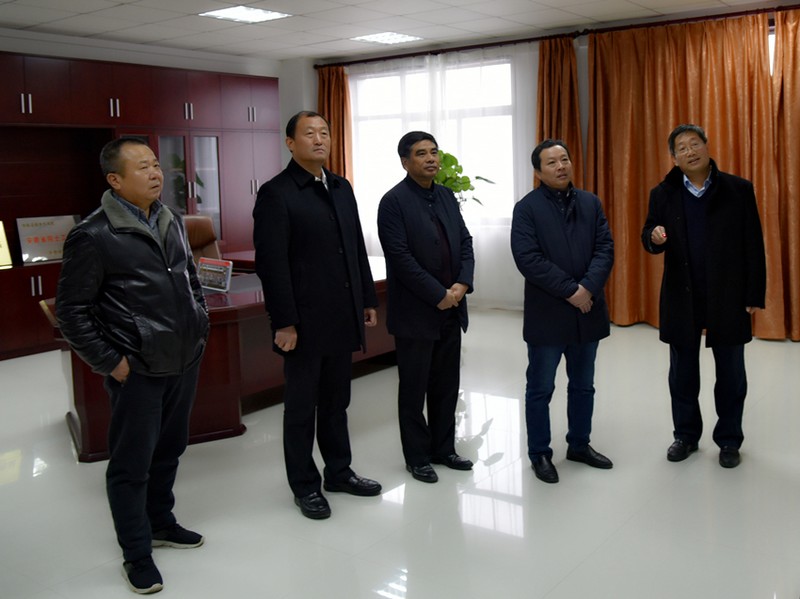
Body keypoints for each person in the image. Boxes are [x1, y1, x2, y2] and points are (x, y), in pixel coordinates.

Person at [56, 138, 209, 594]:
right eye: (142, 167)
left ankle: (161, 522)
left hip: (183, 358)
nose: (156, 173)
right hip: (137, 368)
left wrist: (199, 323)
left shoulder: (171, 218)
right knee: (131, 464)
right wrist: (112, 362)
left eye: (156, 164)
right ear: (115, 180)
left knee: (170, 449)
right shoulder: (93, 235)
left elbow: (190, 278)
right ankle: (136, 554)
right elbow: (72, 312)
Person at [253, 110, 382, 520]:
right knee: (300, 407)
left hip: (341, 313)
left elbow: (355, 247)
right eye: (309, 133)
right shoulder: (277, 193)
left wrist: (366, 298)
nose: (319, 139)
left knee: (336, 402)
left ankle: (339, 472)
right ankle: (304, 485)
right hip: (304, 321)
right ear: (290, 143)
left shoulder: (341, 187)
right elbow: (272, 265)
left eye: (324, 132)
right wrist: (283, 321)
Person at [641, 124, 766, 468]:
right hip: (682, 294)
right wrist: (654, 236)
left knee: (731, 373)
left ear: (707, 147)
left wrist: (754, 292)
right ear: (674, 158)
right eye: (681, 148)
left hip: (728, 293)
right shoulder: (662, 193)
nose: (689, 151)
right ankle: (685, 436)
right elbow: (648, 233)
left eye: (694, 144)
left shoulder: (738, 189)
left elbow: (753, 243)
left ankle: (729, 440)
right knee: (682, 373)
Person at [510, 139, 615, 484]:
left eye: (565, 159)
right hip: (549, 313)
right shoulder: (527, 209)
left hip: (587, 310)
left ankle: (579, 445)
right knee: (540, 388)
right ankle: (540, 453)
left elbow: (605, 248)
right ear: (538, 171)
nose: (561, 166)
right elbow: (528, 259)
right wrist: (572, 291)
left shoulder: (590, 202)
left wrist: (587, 289)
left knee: (584, 385)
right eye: (552, 162)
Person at [377, 131, 475, 484]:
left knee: (447, 384)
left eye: (434, 152)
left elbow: (465, 242)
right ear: (405, 162)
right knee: (414, 388)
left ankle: (444, 449)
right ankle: (417, 456)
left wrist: (462, 284)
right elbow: (400, 258)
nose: (431, 158)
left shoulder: (446, 196)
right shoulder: (393, 202)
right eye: (421, 153)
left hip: (452, 306)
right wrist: (438, 294)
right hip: (416, 312)